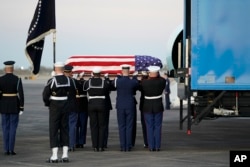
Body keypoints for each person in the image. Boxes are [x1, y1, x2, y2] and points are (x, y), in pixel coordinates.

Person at [42, 62, 71, 163]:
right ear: (63, 69)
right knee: (65, 128)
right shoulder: (68, 79)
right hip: (65, 104)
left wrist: (48, 103)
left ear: (55, 69)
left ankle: (54, 156)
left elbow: (45, 94)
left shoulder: (52, 80)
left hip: (54, 105)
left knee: (54, 129)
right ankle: (65, 154)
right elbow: (70, 94)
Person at [0, 61, 24, 155]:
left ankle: (6, 149)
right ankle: (11, 149)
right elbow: (21, 94)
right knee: (13, 127)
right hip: (14, 105)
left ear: (5, 69)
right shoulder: (17, 79)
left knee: (5, 127)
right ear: (12, 69)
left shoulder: (1, 79)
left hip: (3, 105)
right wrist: (21, 107)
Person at [84, 67, 111, 152]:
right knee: (102, 126)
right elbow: (108, 91)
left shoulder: (88, 82)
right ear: (100, 74)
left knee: (93, 126)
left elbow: (84, 89)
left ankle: (95, 146)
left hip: (91, 104)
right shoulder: (104, 82)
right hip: (102, 104)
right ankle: (101, 146)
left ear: (92, 73)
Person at [114, 64, 139, 152]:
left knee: (121, 126)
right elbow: (137, 85)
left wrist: (118, 76)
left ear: (122, 71)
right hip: (130, 105)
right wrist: (135, 77)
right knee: (129, 126)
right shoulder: (133, 81)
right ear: (129, 72)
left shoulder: (118, 81)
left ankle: (122, 146)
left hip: (120, 106)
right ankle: (128, 146)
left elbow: (114, 84)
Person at [141, 66, 166, 152]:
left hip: (147, 106)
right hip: (158, 105)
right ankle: (157, 146)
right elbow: (162, 79)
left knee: (149, 127)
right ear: (157, 72)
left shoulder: (144, 82)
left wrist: (144, 77)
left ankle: (151, 146)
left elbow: (140, 85)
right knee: (158, 127)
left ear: (149, 73)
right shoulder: (162, 81)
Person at [63, 65, 79, 152]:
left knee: (64, 126)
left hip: (63, 106)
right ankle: (71, 145)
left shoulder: (61, 81)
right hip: (72, 106)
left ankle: (65, 144)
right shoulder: (73, 81)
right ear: (71, 72)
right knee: (72, 126)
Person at [75, 72, 88, 149]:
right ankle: (78, 142)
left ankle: (80, 142)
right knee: (78, 125)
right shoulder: (75, 83)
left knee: (82, 125)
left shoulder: (83, 83)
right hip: (79, 106)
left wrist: (79, 78)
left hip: (82, 106)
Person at [138, 71, 149, 148]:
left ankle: (146, 142)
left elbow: (137, 86)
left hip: (143, 106)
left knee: (144, 126)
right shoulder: (149, 83)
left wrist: (138, 79)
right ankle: (150, 141)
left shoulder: (142, 84)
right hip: (150, 105)